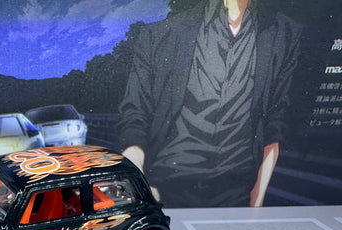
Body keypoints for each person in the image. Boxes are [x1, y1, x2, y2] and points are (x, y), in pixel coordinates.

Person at [118, 0, 302, 207]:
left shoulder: (285, 33)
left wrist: (255, 209)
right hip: (165, 189)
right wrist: (141, 191)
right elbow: (134, 118)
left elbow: (276, 124)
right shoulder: (159, 34)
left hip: (237, 192)